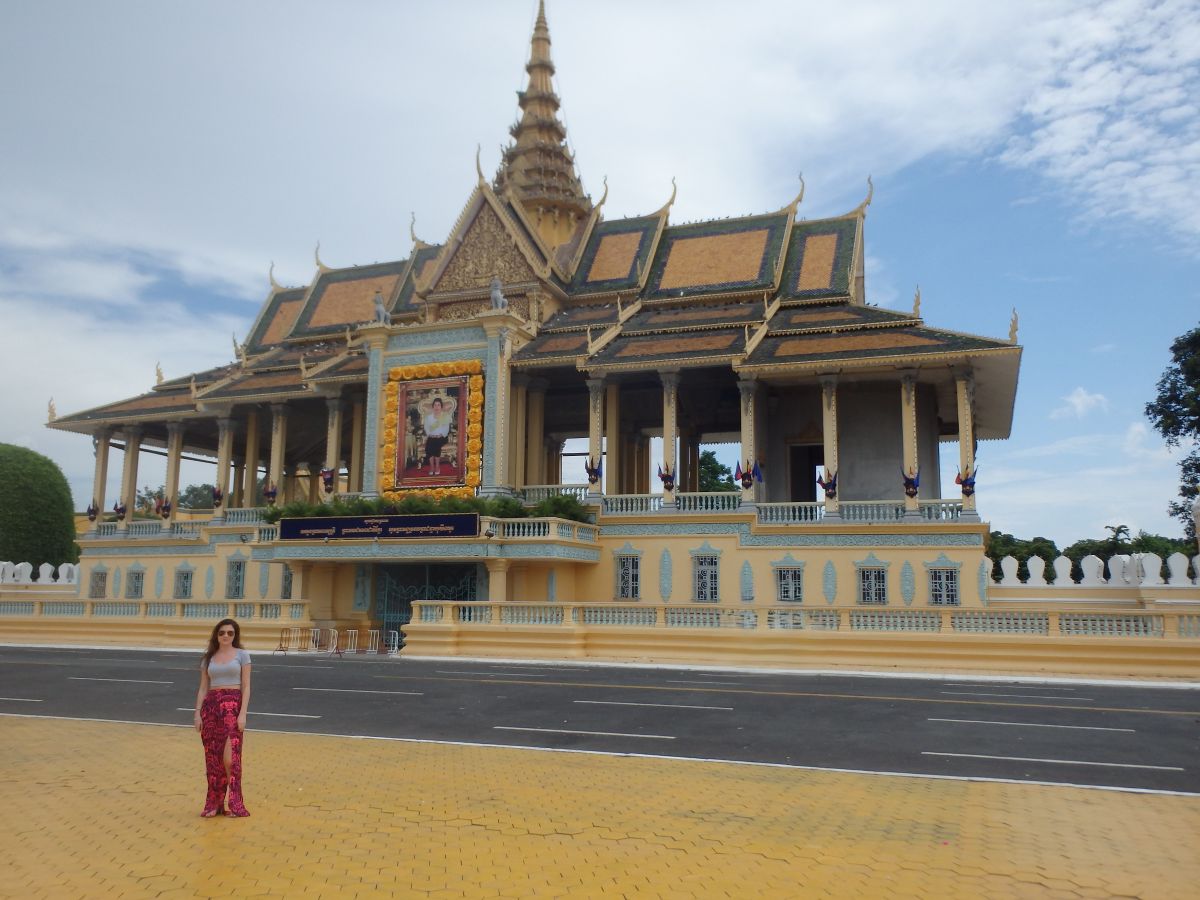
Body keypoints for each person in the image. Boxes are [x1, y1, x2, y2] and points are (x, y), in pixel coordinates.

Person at [193, 618, 252, 817]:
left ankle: (235, 803)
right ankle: (214, 804)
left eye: (230, 633)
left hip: (232, 706)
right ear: (216, 635)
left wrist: (243, 713)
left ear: (235, 636)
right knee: (213, 759)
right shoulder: (208, 658)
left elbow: (246, 686)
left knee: (230, 759)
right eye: (222, 632)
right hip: (211, 708)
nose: (226, 636)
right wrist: (197, 714)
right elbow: (203, 688)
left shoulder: (242, 655)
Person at [423, 396, 452, 475]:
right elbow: (426, 428)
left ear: (441, 407)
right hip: (432, 437)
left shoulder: (444, 416)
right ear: (433, 407)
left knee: (435, 443)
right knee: (430, 445)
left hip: (442, 437)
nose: (437, 407)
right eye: (435, 405)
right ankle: (432, 467)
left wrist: (440, 435)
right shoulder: (429, 417)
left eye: (438, 405)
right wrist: (431, 435)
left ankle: (437, 467)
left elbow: (446, 429)